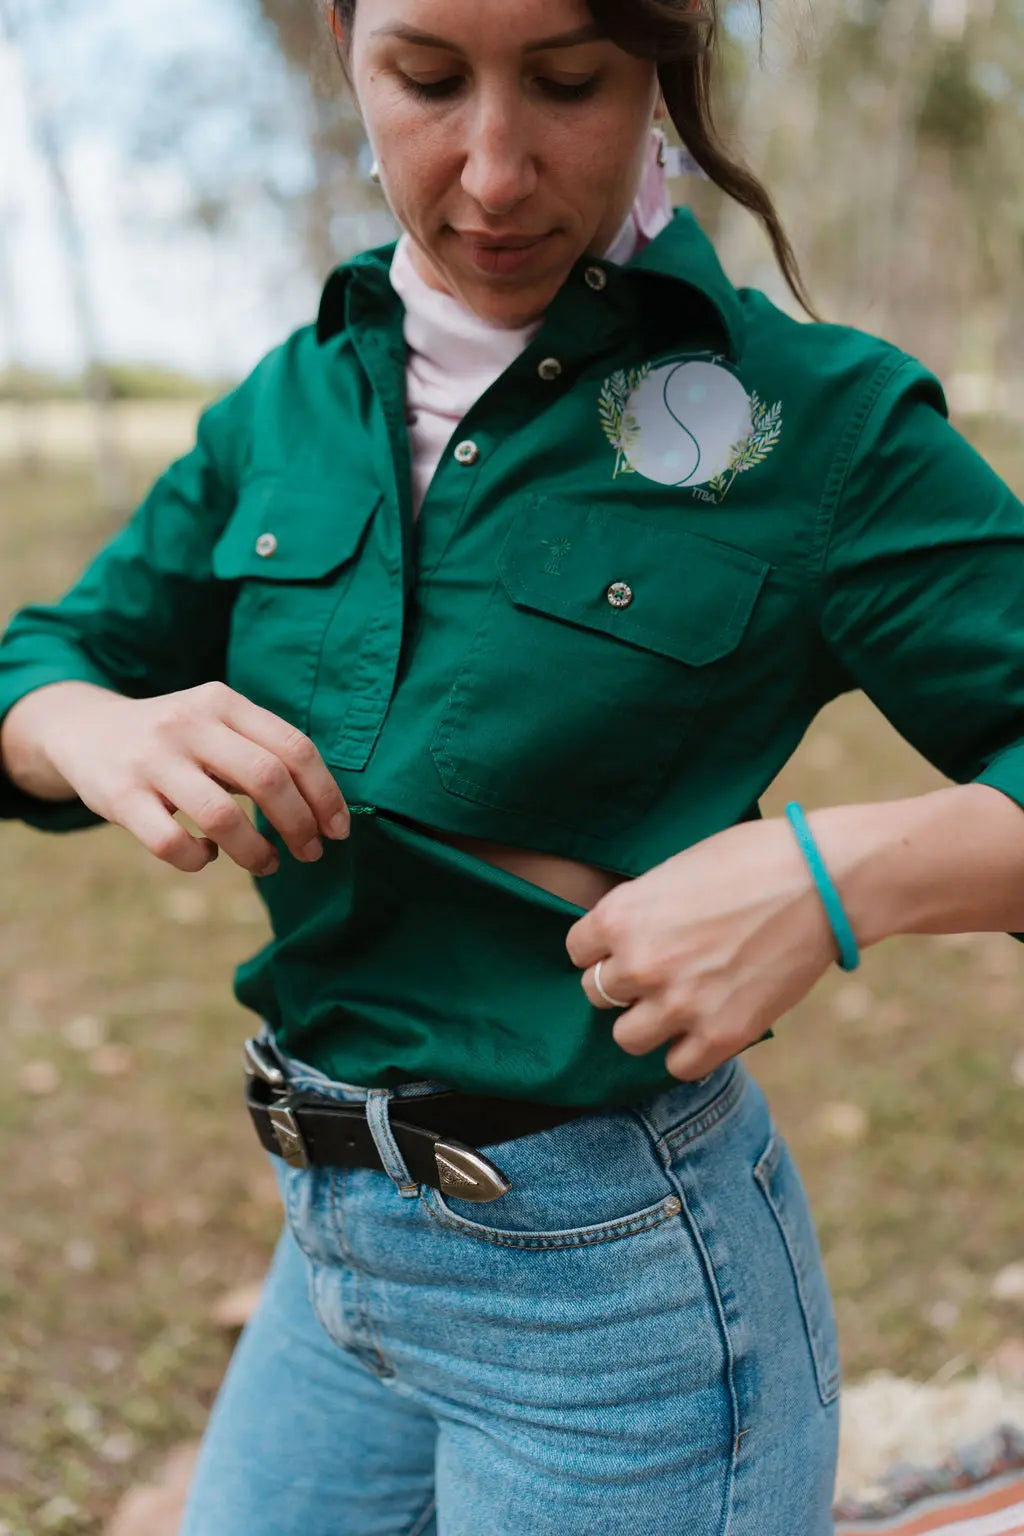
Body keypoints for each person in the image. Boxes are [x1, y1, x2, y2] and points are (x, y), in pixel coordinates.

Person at [2, 0, 1023, 1530]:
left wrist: (834, 878)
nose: (491, 173)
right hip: (330, 1257)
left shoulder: (823, 424)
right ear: (345, 42)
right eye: (425, 79)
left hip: (617, 1308)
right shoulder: (292, 400)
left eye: (566, 84)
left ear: (662, 71)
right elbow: (44, 662)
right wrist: (100, 725)